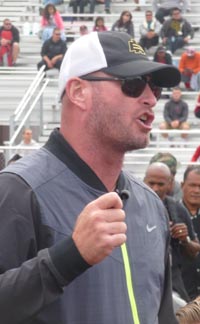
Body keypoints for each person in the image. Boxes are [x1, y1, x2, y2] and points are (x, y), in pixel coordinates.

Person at [0, 31, 181, 324]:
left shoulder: (150, 205)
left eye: (155, 89)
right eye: (133, 85)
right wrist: (68, 257)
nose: (150, 99)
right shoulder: (17, 191)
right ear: (79, 92)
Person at [144, 162, 200, 310]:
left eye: (160, 184)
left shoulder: (177, 209)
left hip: (174, 284)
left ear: (170, 184)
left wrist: (184, 239)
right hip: (143, 280)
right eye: (151, 183)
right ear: (143, 181)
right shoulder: (134, 206)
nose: (155, 188)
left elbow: (194, 250)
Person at [181, 166, 200, 299]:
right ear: (182, 185)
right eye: (192, 185)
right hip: (181, 293)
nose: (197, 191)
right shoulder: (169, 213)